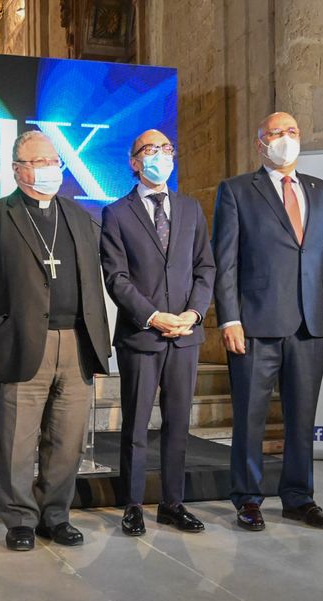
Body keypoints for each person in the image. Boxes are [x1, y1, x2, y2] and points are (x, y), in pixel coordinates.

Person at [0, 130, 111, 551]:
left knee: (67, 441)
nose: (50, 169)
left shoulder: (79, 216)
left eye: (54, 161)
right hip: (19, 344)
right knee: (17, 444)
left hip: (76, 343)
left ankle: (55, 515)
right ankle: (20, 519)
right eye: (39, 162)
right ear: (17, 169)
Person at [211, 111, 323, 532]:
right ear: (261, 143)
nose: (285, 138)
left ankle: (299, 497)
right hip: (255, 324)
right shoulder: (237, 190)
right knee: (250, 417)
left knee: (302, 419)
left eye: (291, 131)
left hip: (311, 325)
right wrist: (229, 319)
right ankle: (248, 498)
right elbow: (226, 262)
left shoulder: (322, 191)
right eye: (276, 132)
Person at [99, 129, 215, 536]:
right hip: (142, 335)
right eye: (151, 149)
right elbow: (116, 277)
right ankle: (132, 505)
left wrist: (194, 314)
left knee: (178, 423)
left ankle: (172, 503)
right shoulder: (116, 213)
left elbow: (205, 267)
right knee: (135, 425)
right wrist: (152, 316)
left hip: (185, 334)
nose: (161, 155)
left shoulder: (190, 208)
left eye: (167, 149)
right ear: (134, 161)